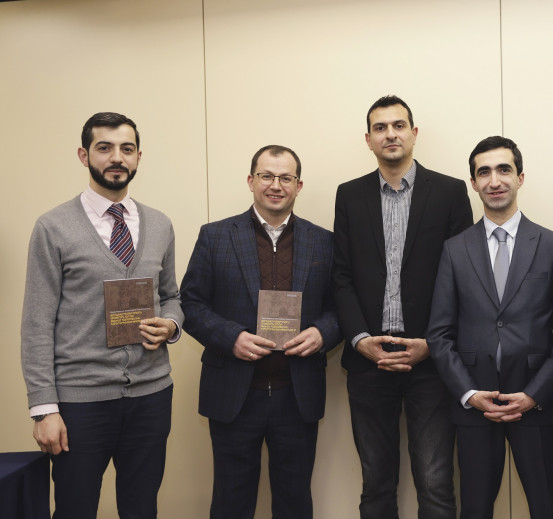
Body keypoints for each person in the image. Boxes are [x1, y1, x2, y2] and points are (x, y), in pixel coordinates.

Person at [21, 112, 184, 518]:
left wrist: (171, 324)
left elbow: (171, 296)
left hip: (150, 396)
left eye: (127, 149)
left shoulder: (159, 224)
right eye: (104, 148)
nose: (117, 158)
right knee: (75, 509)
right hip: (80, 402)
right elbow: (37, 325)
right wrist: (44, 409)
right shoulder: (53, 227)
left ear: (138, 157)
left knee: (141, 508)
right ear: (84, 155)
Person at [180, 145, 341, 519]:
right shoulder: (215, 236)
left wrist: (323, 333)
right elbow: (190, 303)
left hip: (296, 394)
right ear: (251, 181)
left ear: (298, 185)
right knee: (231, 504)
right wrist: (230, 338)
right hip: (234, 394)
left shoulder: (324, 241)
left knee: (294, 502)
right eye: (267, 176)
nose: (276, 185)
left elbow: (341, 307)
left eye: (286, 178)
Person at [333, 95, 473, 518]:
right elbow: (341, 275)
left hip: (430, 363)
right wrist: (359, 340)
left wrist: (434, 343)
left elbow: (464, 276)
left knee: (435, 482)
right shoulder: (349, 195)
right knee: (375, 483)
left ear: (414, 134)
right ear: (368, 139)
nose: (390, 134)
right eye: (380, 128)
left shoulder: (449, 191)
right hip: (368, 363)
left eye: (398, 126)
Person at [427, 136, 553, 519]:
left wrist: (535, 394)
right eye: (484, 172)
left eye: (504, 169)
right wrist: (468, 393)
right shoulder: (454, 249)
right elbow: (439, 334)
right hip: (476, 403)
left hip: (536, 402)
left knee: (546, 506)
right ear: (473, 183)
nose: (494, 180)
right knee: (475, 508)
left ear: (520, 177)